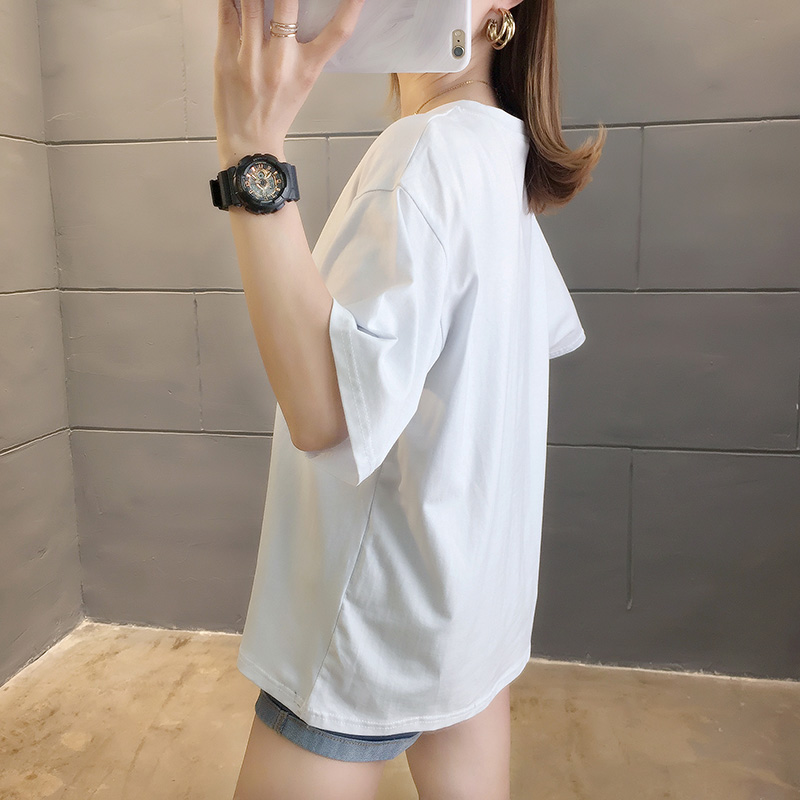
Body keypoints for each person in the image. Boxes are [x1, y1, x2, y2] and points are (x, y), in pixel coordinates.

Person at [213, 0, 606, 798]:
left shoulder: (426, 152)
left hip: (372, 617)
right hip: (468, 610)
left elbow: (324, 413)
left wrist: (251, 149)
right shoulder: (496, 148)